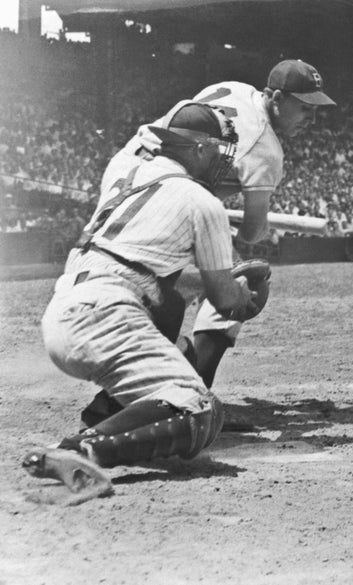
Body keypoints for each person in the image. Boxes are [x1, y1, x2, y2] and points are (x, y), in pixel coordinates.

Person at [22, 103, 257, 503]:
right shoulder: (204, 203)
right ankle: (79, 451)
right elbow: (224, 298)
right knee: (200, 408)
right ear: (199, 149)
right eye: (218, 149)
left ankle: (103, 417)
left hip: (69, 307)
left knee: (169, 309)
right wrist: (246, 297)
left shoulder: (126, 169)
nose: (223, 160)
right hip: (106, 315)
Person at [101, 59, 336, 389]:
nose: (312, 119)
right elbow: (253, 233)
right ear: (277, 98)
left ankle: (151, 376)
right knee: (238, 282)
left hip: (129, 167)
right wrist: (230, 247)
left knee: (161, 280)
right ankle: (191, 390)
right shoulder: (266, 149)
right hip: (170, 190)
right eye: (305, 108)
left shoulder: (237, 89)